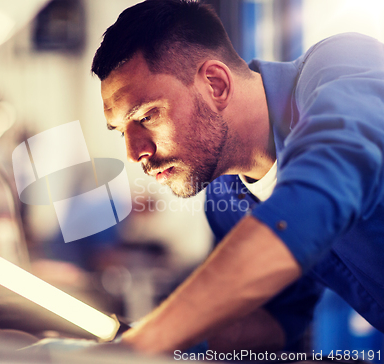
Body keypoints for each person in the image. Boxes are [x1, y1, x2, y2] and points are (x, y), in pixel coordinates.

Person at [91, 0, 384, 355]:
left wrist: (139, 347)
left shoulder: (345, 65)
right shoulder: (225, 199)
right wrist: (126, 346)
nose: (134, 152)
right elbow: (274, 318)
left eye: (147, 117)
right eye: (121, 130)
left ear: (215, 84)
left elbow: (312, 204)